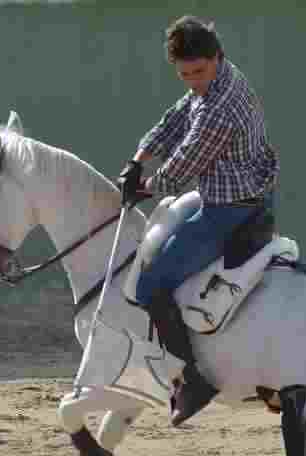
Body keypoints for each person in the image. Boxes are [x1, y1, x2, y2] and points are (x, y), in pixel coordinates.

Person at [116, 15, 279, 426]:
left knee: (152, 283)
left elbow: (185, 160)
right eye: (184, 74)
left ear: (217, 59)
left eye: (199, 72)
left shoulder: (221, 106)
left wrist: (143, 186)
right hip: (239, 190)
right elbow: (175, 119)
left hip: (229, 207)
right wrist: (137, 160)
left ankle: (195, 379)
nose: (192, 81)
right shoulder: (214, 81)